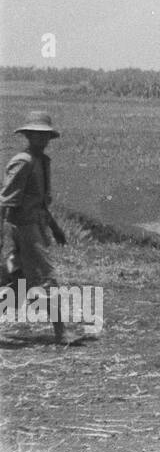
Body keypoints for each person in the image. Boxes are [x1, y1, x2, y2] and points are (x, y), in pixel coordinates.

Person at [0, 111, 72, 344]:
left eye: (45, 136)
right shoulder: (23, 161)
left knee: (17, 282)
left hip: (35, 225)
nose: (41, 140)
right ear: (28, 136)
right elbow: (6, 201)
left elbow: (39, 202)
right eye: (36, 135)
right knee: (47, 277)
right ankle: (61, 332)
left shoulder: (41, 161)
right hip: (23, 228)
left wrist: (55, 228)